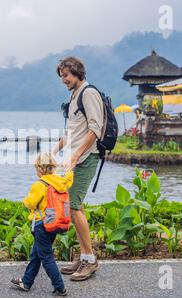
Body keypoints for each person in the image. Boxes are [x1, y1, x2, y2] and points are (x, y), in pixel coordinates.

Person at [52, 56, 103, 281]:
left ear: (77, 73)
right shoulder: (75, 96)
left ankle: (90, 260)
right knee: (76, 206)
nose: (63, 80)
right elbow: (73, 131)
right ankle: (84, 257)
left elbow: (95, 129)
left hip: (86, 158)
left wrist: (75, 155)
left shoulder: (89, 93)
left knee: (73, 206)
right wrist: (54, 150)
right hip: (77, 159)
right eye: (61, 76)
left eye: (66, 75)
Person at [11, 153, 73, 296]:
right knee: (36, 255)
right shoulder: (61, 182)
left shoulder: (39, 185)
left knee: (46, 257)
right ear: (53, 167)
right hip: (53, 224)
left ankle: (60, 287)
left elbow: (30, 203)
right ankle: (26, 282)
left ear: (39, 168)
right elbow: (69, 180)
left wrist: (25, 200)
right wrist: (69, 170)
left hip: (41, 225)